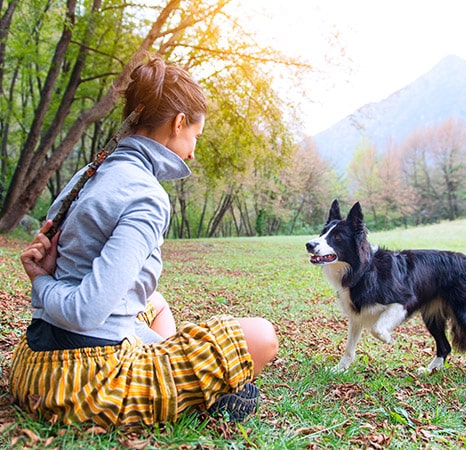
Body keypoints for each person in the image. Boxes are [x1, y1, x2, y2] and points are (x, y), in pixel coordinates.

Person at [10, 55, 279, 429]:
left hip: (33, 362)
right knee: (263, 337)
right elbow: (85, 312)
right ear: (179, 123)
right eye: (194, 138)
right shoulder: (146, 195)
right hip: (80, 380)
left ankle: (165, 367)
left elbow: (69, 282)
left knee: (155, 302)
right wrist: (40, 281)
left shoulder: (87, 175)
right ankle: (180, 388)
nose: (193, 151)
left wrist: (45, 280)